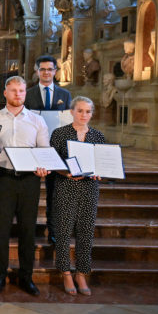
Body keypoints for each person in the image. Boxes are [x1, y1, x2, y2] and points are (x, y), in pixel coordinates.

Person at [0, 76, 50, 296]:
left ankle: (26, 277)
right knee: (2, 230)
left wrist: (42, 167)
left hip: (29, 180)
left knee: (27, 230)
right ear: (5, 93)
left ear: (25, 94)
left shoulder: (37, 121)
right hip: (4, 178)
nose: (18, 94)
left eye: (21, 91)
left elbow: (43, 152)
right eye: (13, 91)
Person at [50, 96, 105, 296]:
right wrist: (65, 172)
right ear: (72, 111)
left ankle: (82, 273)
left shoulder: (98, 136)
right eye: (80, 110)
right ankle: (65, 272)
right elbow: (52, 161)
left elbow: (101, 162)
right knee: (63, 231)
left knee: (86, 232)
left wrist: (100, 171)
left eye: (88, 111)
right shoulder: (60, 133)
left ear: (92, 114)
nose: (84, 115)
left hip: (90, 188)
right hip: (66, 186)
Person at [25, 55, 72, 245]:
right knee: (30, 193)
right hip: (34, 148)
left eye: (50, 69)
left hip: (57, 149)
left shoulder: (65, 94)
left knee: (55, 193)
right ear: (37, 72)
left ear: (55, 71)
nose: (46, 72)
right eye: (42, 69)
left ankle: (53, 230)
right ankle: (28, 229)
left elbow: (68, 121)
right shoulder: (28, 94)